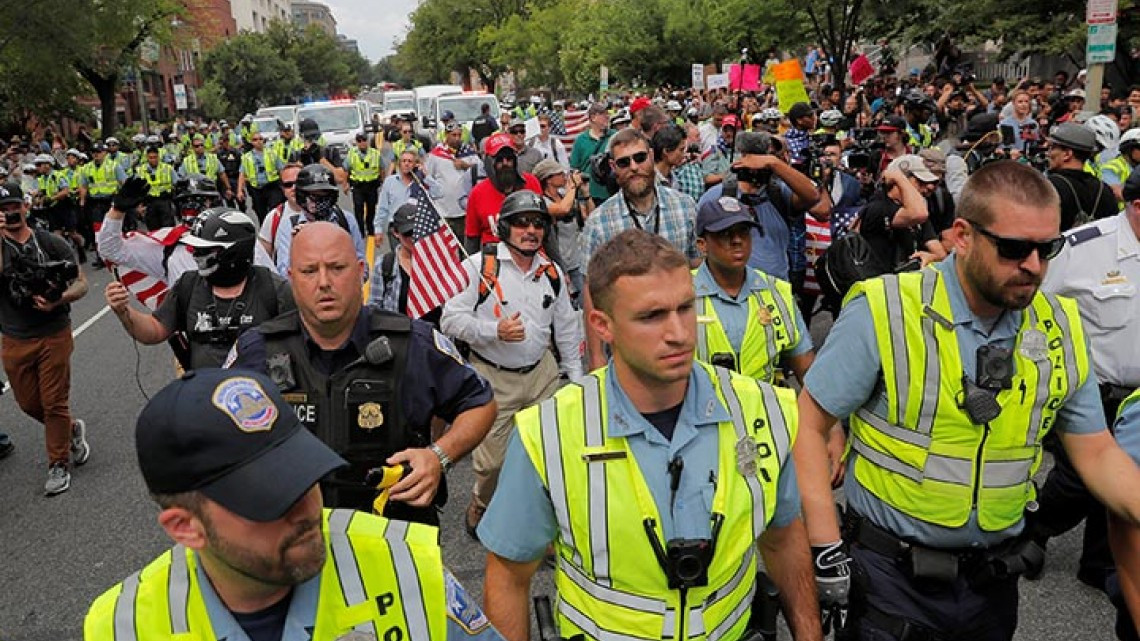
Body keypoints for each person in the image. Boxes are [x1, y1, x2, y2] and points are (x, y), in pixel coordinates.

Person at [792, 161, 1140, 641]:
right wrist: (825, 546)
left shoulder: (1060, 324)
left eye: (1048, 248)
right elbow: (809, 426)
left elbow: (1097, 451)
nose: (1035, 266)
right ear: (961, 235)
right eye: (1015, 248)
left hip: (993, 582)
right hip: (890, 581)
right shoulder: (886, 309)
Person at [479, 229, 823, 641]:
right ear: (602, 325)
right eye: (652, 316)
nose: (679, 333)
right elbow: (508, 576)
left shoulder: (760, 409)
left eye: (685, 308)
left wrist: (810, 633)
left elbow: (783, 539)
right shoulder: (549, 432)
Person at [83, 368, 507, 641]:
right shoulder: (122, 627)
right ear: (184, 526)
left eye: (305, 475)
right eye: (267, 498)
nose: (305, 510)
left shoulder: (408, 563)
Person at [228, 222, 496, 525]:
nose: (324, 282)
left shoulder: (412, 345)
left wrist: (439, 456)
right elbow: (216, 434)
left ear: (360, 271)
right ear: (291, 278)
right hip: (291, 538)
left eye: (337, 268)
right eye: (309, 271)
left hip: (391, 536)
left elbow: (480, 402)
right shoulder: (256, 352)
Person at [441, 190, 583, 538]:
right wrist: (495, 331)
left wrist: (577, 380)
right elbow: (449, 320)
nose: (530, 230)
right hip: (493, 379)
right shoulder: (478, 266)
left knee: (549, 455)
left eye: (537, 223)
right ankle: (480, 505)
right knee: (492, 464)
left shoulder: (552, 272)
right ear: (505, 228)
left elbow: (566, 326)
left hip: (542, 376)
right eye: (521, 223)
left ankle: (542, 529)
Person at [1030, 169, 1140, 592]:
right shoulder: (1083, 247)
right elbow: (1036, 307)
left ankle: (1099, 564)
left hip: (1137, 400)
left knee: (1124, 475)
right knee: (1078, 480)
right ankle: (1035, 528)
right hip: (1092, 391)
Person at [105, 208, 294, 369]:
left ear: (234, 251)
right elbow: (155, 330)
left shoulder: (274, 289)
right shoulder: (188, 285)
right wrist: (124, 312)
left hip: (262, 401)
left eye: (205, 250)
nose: (195, 255)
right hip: (205, 399)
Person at [0, 183, 89, 495]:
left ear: (25, 207)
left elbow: (81, 283)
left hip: (54, 332)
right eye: (3, 208)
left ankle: (58, 463)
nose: (10, 213)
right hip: (14, 338)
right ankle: (70, 429)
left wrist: (59, 298)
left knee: (54, 403)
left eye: (14, 206)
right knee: (27, 403)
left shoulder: (48, 241)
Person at [692, 195, 814, 384]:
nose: (737, 240)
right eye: (725, 233)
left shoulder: (776, 291)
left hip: (765, 411)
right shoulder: (680, 294)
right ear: (702, 244)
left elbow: (806, 368)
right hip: (705, 411)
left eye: (744, 231)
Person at [696, 131, 822, 282]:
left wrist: (774, 164)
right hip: (728, 285)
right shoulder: (717, 196)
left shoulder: (779, 193)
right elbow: (699, 244)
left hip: (774, 286)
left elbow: (813, 195)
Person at [270, 164, 367, 277]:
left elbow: (362, 268)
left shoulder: (346, 220)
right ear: (302, 197)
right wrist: (296, 246)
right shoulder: (289, 225)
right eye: (313, 196)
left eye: (324, 196)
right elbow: (285, 274)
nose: (319, 203)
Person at [857, 155, 947, 270]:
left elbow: (941, 254)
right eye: (920, 182)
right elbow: (919, 214)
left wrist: (931, 257)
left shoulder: (917, 212)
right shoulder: (878, 207)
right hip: (879, 282)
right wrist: (898, 177)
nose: (926, 189)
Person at [465, 133, 542, 253]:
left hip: (532, 258)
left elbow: (548, 231)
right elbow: (472, 239)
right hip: (495, 262)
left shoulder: (531, 183)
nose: (505, 163)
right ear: (490, 163)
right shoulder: (477, 193)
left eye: (509, 158)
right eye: (499, 159)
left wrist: (560, 266)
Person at [1047, 122, 1117, 231]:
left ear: (1067, 154)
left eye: (1052, 148)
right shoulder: (1104, 190)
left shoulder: (1048, 187)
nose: (1048, 153)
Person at [425, 122, 481, 243]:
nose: (456, 138)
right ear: (446, 135)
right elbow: (428, 178)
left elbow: (480, 171)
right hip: (444, 211)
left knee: (465, 246)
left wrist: (465, 165)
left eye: (459, 135)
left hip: (464, 211)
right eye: (453, 135)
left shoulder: (468, 152)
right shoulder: (436, 155)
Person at [78, 141, 127, 267]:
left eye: (99, 152)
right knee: (98, 230)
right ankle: (101, 257)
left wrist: (124, 200)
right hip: (95, 202)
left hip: (111, 200)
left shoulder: (114, 166)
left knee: (114, 228)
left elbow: (123, 183)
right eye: (94, 152)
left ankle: (119, 254)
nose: (96, 155)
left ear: (105, 153)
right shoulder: (86, 168)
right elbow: (83, 186)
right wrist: (82, 202)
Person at [569, 103, 615, 206]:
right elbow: (574, 168)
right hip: (589, 195)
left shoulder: (615, 136)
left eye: (607, 114)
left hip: (612, 192)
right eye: (603, 114)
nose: (607, 117)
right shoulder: (580, 140)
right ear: (593, 117)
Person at [237, 132, 286, 222]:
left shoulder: (272, 153)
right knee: (260, 213)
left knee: (274, 209)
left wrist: (285, 185)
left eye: (260, 139)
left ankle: (276, 228)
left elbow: (281, 170)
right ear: (251, 142)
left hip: (272, 186)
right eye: (255, 140)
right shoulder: (246, 157)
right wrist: (240, 190)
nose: (258, 141)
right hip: (256, 189)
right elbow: (242, 174)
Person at [344, 132, 382, 237]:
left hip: (371, 185)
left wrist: (383, 181)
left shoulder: (375, 153)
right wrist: (345, 184)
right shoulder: (352, 154)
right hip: (358, 186)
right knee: (358, 208)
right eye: (359, 141)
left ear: (368, 141)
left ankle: (370, 227)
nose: (362, 143)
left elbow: (381, 168)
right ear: (356, 142)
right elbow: (346, 170)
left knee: (371, 208)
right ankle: (360, 230)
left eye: (364, 140)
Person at [136, 147, 176, 230]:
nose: (153, 160)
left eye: (155, 157)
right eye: (150, 158)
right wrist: (139, 205)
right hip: (149, 202)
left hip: (164, 200)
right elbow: (137, 190)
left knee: (168, 228)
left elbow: (176, 183)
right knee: (153, 229)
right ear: (147, 158)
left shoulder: (168, 168)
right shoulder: (141, 170)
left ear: (158, 157)